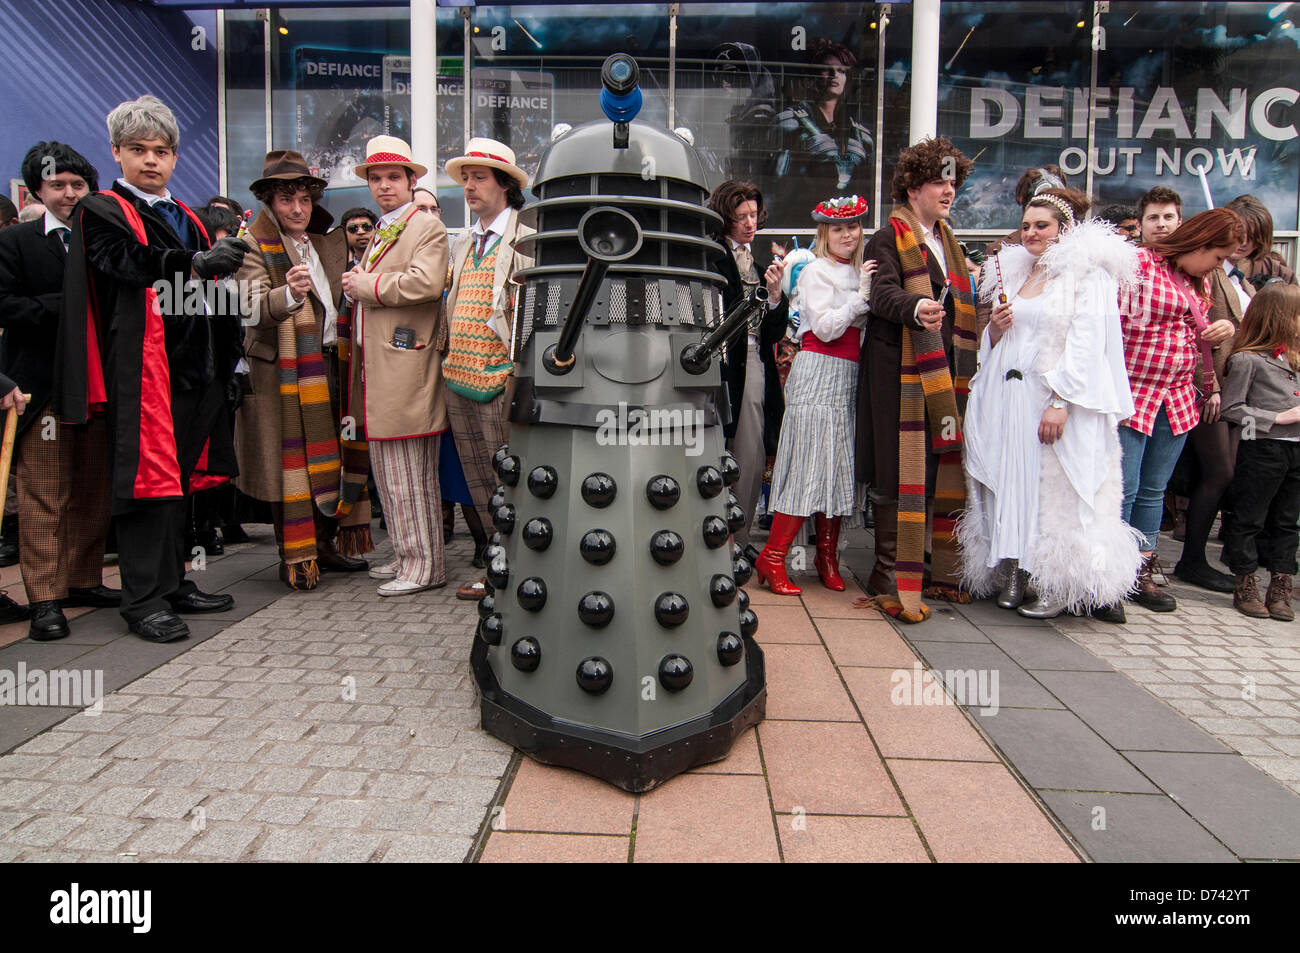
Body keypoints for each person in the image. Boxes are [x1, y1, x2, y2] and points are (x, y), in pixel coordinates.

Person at [56, 95, 248, 643]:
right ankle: (143, 600)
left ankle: (173, 581)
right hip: (143, 370)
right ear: (116, 152)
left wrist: (228, 358)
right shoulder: (101, 210)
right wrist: (191, 261)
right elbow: (124, 263)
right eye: (138, 149)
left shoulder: (185, 213)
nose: (150, 160)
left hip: (198, 370)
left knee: (178, 482)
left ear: (174, 156)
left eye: (161, 150)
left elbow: (213, 293)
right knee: (146, 486)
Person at [960, 188, 1141, 621]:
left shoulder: (1087, 276)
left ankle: (1054, 579)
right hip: (1011, 399)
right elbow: (1005, 340)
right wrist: (997, 331)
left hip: (1055, 401)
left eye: (1041, 225)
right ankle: (1016, 567)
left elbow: (1087, 342)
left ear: (1064, 230)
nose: (1031, 233)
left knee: (1055, 490)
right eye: (1025, 225)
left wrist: (1061, 401)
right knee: (1015, 481)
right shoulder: (1018, 273)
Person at [233, 149, 373, 589]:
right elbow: (250, 307)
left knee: (332, 452)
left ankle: (326, 544)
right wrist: (288, 295)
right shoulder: (252, 244)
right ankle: (295, 554)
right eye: (286, 200)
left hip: (331, 362)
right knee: (289, 464)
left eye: (304, 200)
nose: (296, 209)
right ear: (269, 203)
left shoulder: (325, 243)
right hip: (283, 374)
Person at [855, 136, 978, 623]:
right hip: (896, 372)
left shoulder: (948, 242)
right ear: (911, 187)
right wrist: (915, 306)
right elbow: (881, 295)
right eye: (937, 182)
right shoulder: (889, 238)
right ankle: (888, 574)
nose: (948, 191)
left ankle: (922, 563)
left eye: (953, 181)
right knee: (896, 467)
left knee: (933, 463)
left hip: (941, 373)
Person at [0, 141, 119, 641]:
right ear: (37, 189)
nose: (69, 194)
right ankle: (46, 598)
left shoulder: (105, 239)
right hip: (41, 390)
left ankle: (82, 580)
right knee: (44, 496)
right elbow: (6, 306)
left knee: (93, 491)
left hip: (98, 388)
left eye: (78, 185)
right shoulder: (17, 242)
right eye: (58, 185)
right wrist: (66, 304)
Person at [1117, 208, 1245, 613]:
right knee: (1125, 489)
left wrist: (1222, 330)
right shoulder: (1138, 262)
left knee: (1154, 490)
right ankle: (1108, 575)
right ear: (1200, 243)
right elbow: (1109, 323)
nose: (1219, 265)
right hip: (1132, 392)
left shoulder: (1198, 280)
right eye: (1218, 256)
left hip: (1175, 396)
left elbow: (1191, 331)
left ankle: (1140, 570)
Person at [342, 135, 450, 596]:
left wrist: (365, 285)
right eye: (376, 178)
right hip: (385, 366)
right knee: (390, 470)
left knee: (409, 472)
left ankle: (424, 565)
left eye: (393, 177)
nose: (384, 185)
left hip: (406, 364)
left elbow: (425, 283)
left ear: (411, 180)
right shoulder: (390, 226)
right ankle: (408, 553)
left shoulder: (424, 226)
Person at [755, 195, 874, 595]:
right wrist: (862, 299)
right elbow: (824, 329)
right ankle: (772, 557)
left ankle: (826, 556)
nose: (848, 234)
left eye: (854, 226)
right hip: (819, 369)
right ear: (825, 233)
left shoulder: (859, 270)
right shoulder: (816, 272)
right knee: (807, 462)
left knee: (837, 465)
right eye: (839, 228)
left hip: (849, 375)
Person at [440, 137, 534, 601]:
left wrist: (513, 373)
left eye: (479, 178)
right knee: (480, 486)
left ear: (506, 185)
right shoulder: (463, 240)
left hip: (499, 380)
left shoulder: (525, 241)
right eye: (465, 179)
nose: (469, 187)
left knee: (511, 483)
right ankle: (498, 568)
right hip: (459, 379)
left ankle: (520, 572)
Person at [706, 180, 788, 547]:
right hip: (714, 361)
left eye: (754, 215)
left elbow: (773, 332)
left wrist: (774, 296)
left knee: (749, 452)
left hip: (751, 359)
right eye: (741, 217)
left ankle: (737, 540)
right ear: (726, 217)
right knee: (709, 446)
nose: (750, 223)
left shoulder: (758, 265)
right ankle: (712, 537)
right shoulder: (710, 254)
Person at [1220, 283, 1300, 621]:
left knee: (1287, 522)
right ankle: (1245, 581)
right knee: (1250, 517)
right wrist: (1277, 417)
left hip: (1297, 450)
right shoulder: (1247, 359)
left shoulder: (1294, 358)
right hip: (1264, 447)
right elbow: (1232, 408)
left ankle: (1281, 585)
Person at [774, 39, 873, 202]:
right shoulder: (790, 123)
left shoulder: (859, 132)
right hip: (801, 212)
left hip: (847, 215)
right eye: (826, 69)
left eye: (841, 70)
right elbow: (778, 183)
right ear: (811, 78)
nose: (835, 75)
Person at [984, 165, 1068, 256]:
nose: (1031, 233)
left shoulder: (1082, 254)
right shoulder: (998, 250)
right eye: (1026, 227)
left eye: (1042, 225)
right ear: (1022, 199)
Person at [1225, 194, 1297, 293]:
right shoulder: (1204, 271)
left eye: (1252, 237)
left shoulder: (1280, 273)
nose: (1244, 242)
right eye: (1239, 233)